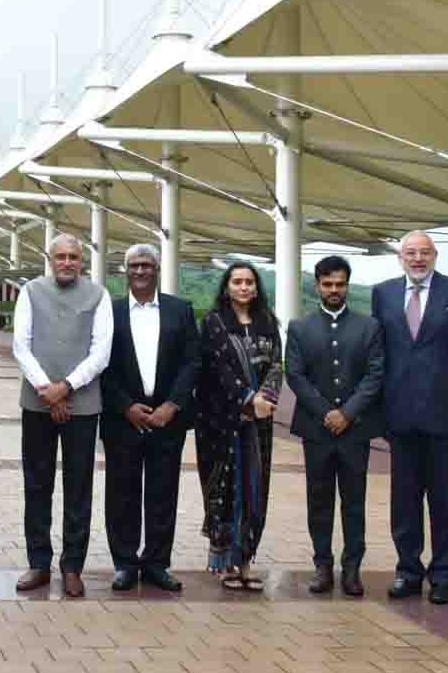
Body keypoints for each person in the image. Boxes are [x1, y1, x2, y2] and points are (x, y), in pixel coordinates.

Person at [372, 230, 448, 605]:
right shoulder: (383, 293)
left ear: (435, 255)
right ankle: (408, 572)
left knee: (444, 501)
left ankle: (443, 576)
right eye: (410, 253)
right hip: (399, 417)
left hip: (444, 417)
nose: (418, 259)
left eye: (424, 252)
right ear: (400, 258)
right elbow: (377, 357)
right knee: (404, 502)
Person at [12, 234, 113, 598]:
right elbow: (20, 345)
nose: (67, 262)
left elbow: (101, 352)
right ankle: (39, 563)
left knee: (78, 486)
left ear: (81, 261)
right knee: (37, 484)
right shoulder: (31, 291)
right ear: (50, 258)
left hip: (82, 406)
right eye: (61, 256)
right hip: (37, 402)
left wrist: (66, 387)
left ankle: (73, 566)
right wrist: (47, 388)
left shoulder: (99, 296)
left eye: (73, 257)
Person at [100, 244, 200, 593]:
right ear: (125, 270)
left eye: (146, 265)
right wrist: (125, 406)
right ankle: (125, 564)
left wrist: (172, 405)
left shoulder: (180, 310)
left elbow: (192, 361)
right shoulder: (109, 312)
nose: (140, 271)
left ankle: (157, 564)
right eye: (134, 265)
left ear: (157, 269)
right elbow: (101, 364)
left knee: (163, 493)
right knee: (121, 493)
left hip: (167, 420)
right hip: (122, 419)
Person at [287, 255, 384, 598]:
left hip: (356, 430)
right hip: (316, 429)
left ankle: (352, 568)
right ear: (317, 286)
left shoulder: (368, 327)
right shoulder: (299, 328)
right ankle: (323, 566)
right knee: (319, 500)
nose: (334, 290)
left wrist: (348, 413)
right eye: (327, 284)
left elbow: (375, 375)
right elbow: (295, 375)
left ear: (347, 286)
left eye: (340, 284)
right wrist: (327, 412)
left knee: (354, 501)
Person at [196, 262, 283, 591]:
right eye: (237, 282)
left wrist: (265, 399)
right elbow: (218, 368)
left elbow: (277, 365)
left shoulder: (268, 322)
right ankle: (226, 564)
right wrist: (248, 399)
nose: (244, 287)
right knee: (226, 489)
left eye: (249, 282)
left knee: (255, 488)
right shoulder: (214, 323)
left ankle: (245, 561)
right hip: (221, 422)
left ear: (257, 287)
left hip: (259, 423)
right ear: (227, 287)